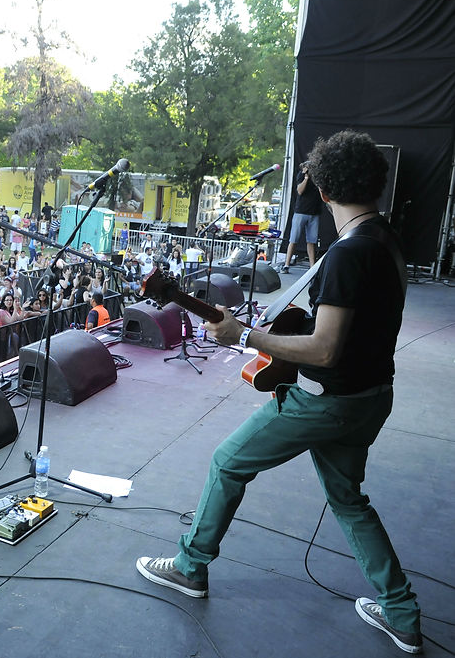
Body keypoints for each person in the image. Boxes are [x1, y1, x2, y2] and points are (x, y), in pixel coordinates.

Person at [135, 130, 422, 654]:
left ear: (324, 189)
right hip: (372, 395)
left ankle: (189, 566)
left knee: (227, 462)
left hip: (326, 402)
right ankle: (401, 613)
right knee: (349, 501)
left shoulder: (347, 254)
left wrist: (245, 335)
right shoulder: (386, 239)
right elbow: (357, 327)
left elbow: (327, 350)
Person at [283, 161, 324, 272]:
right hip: (301, 211)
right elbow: (300, 191)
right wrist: (306, 177)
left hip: (314, 213)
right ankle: (286, 264)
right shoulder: (301, 176)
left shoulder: (318, 178)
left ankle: (312, 267)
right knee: (294, 239)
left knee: (311, 241)